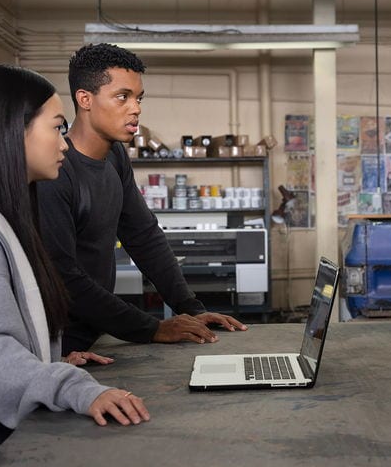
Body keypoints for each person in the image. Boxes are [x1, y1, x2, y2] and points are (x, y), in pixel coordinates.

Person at [0, 65, 151, 467]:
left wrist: (46, 358)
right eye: (56, 128)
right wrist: (71, 386)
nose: (64, 143)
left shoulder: (6, 217)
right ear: (14, 132)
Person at [36, 43, 247, 356]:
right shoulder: (56, 173)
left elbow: (143, 236)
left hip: (97, 334)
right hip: (60, 346)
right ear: (85, 99)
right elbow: (64, 278)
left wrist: (190, 308)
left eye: (138, 98)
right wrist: (153, 328)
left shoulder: (115, 156)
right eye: (122, 97)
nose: (135, 108)